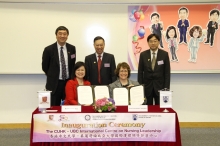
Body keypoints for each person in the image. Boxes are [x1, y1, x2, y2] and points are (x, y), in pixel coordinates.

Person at [42, 26, 76, 106]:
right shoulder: (48, 49)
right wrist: (53, 75)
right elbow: (45, 66)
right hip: (54, 84)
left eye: (64, 34)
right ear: (56, 35)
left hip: (68, 82)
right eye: (60, 34)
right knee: (54, 107)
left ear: (67, 36)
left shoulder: (72, 48)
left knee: (68, 106)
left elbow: (72, 64)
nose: (62, 36)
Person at [138, 34, 170, 105]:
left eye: (155, 41)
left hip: (160, 87)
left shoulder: (164, 54)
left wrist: (166, 88)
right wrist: (140, 87)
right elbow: (140, 72)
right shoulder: (143, 55)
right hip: (147, 87)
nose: (153, 43)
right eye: (151, 41)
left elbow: (167, 73)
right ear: (148, 43)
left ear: (158, 42)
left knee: (160, 110)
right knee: (147, 110)